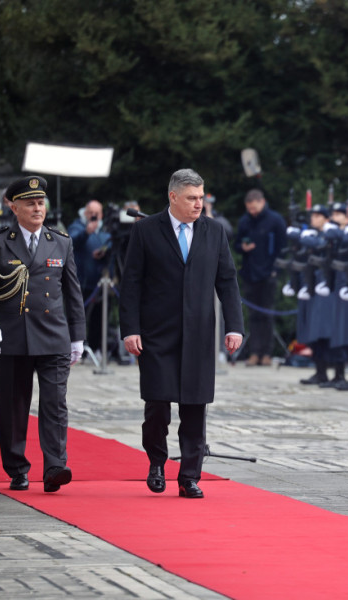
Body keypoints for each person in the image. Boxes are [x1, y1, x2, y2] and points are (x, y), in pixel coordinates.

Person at [120, 168, 244, 499]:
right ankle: (157, 463)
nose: (198, 204)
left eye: (201, 197)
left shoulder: (214, 232)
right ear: (173, 197)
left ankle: (189, 476)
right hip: (156, 335)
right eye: (192, 198)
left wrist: (234, 326)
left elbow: (227, 281)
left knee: (194, 408)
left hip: (199, 335)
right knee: (157, 406)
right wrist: (130, 329)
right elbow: (130, 283)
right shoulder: (146, 230)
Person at [0, 175, 86, 493]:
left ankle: (55, 466)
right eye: (30, 203)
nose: (38, 209)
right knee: (12, 406)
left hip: (53, 336)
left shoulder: (61, 241)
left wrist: (77, 335)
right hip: (13, 336)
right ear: (14, 206)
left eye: (41, 203)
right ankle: (17, 468)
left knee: (54, 404)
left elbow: (72, 292)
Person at [234, 188, 286, 366]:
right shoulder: (245, 221)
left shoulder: (275, 220)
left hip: (268, 274)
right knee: (253, 315)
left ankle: (267, 353)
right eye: (249, 209)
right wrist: (243, 247)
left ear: (262, 202)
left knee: (267, 315)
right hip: (250, 274)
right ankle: (254, 352)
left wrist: (276, 271)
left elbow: (283, 247)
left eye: (255, 208)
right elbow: (237, 244)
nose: (252, 212)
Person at [68, 199, 112, 358]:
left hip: (101, 283)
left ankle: (97, 349)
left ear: (101, 215)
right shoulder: (77, 226)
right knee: (80, 317)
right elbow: (70, 242)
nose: (93, 216)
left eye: (96, 213)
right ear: (84, 213)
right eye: (90, 212)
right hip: (81, 281)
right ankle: (77, 349)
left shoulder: (105, 230)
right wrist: (86, 232)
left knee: (99, 318)